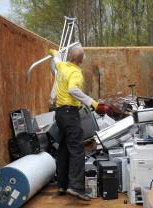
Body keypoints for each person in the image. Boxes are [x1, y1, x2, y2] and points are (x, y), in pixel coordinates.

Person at [49, 47, 98, 201]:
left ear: (69, 57)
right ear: (82, 60)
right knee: (77, 150)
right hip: (70, 114)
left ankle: (62, 185)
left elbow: (56, 61)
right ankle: (76, 187)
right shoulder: (76, 73)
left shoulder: (62, 66)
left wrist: (55, 54)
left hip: (60, 114)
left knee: (63, 149)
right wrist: (91, 102)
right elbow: (73, 90)